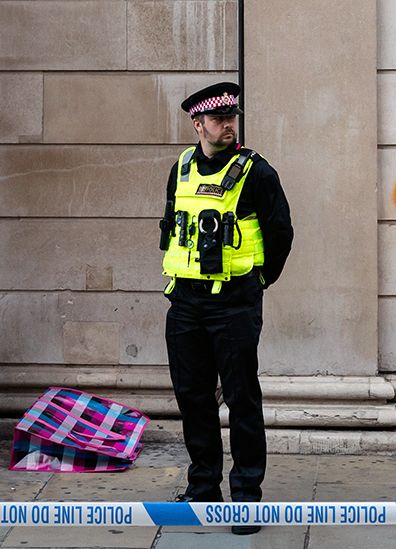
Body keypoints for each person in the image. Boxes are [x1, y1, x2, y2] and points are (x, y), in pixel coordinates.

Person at [159, 82, 293, 535]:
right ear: (198, 124)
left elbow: (280, 233)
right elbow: (171, 228)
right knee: (193, 398)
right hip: (185, 303)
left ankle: (247, 500)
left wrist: (257, 281)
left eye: (232, 117)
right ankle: (203, 491)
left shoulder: (256, 171)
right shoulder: (180, 168)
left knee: (241, 400)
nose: (228, 125)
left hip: (234, 302)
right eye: (219, 119)